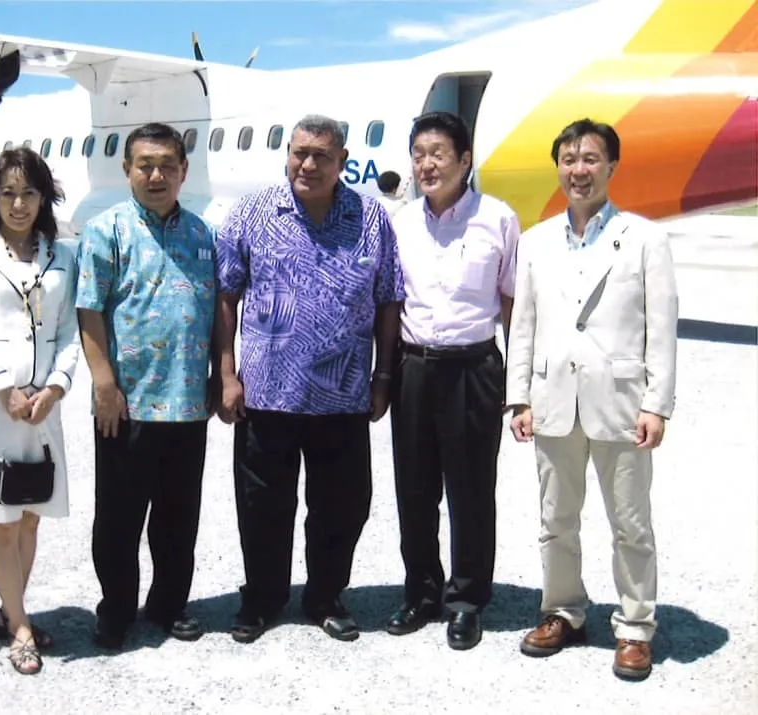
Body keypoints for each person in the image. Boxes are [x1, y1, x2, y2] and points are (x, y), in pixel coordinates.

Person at [215, 114, 404, 644]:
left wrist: (383, 375)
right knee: (262, 506)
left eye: (322, 155)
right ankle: (262, 598)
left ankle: (325, 596)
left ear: (342, 161)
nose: (309, 164)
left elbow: (389, 299)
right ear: (287, 155)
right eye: (300, 152)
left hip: (343, 395)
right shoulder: (252, 212)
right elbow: (226, 296)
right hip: (266, 393)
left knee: (343, 506)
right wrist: (226, 373)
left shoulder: (370, 216)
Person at [507, 119, 677, 681]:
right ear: (557, 167)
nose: (578, 170)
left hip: (621, 402)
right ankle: (562, 611)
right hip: (553, 399)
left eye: (590, 159)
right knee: (556, 518)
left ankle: (635, 627)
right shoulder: (535, 242)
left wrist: (657, 404)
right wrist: (518, 397)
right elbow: (523, 324)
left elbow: (661, 328)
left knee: (631, 522)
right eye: (569, 159)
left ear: (612, 167)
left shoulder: (645, 238)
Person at [76, 122, 217, 650]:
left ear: (184, 171)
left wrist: (217, 376)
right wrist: (104, 385)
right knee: (119, 518)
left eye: (167, 166)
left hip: (187, 404)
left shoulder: (203, 234)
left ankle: (168, 604)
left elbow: (215, 311)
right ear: (127, 169)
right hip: (127, 405)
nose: (156, 176)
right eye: (145, 166)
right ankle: (116, 609)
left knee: (178, 518)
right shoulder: (105, 231)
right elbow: (89, 310)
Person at [385, 111, 520, 651]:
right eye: (418, 154)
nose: (426, 165)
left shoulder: (498, 219)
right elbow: (390, 303)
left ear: (465, 160)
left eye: (438, 153)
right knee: (414, 489)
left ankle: (466, 599)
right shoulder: (401, 223)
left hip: (473, 368)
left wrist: (519, 382)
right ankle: (421, 591)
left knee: (471, 491)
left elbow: (511, 303)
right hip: (414, 368)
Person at [0, 147, 81, 675]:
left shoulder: (61, 254)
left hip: (42, 408)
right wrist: (5, 391)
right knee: (2, 518)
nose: (19, 204)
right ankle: (21, 626)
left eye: (28, 193)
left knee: (29, 517)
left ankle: (10, 610)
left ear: (44, 197)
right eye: (8, 193)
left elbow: (68, 330)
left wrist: (56, 388)